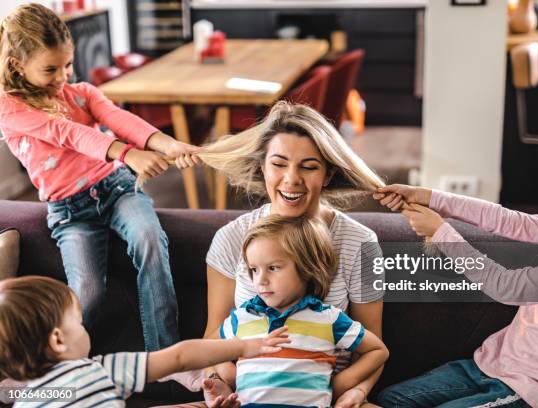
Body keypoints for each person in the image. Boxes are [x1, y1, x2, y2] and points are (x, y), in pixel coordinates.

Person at [0, 4, 200, 351]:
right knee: (87, 290)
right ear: (18, 65)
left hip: (117, 189)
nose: (62, 77)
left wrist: (169, 144)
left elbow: (121, 120)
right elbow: (67, 134)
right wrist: (128, 153)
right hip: (70, 212)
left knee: (150, 239)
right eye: (50, 69)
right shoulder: (11, 109)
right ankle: (54, 363)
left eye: (67, 65)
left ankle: (166, 354)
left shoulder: (82, 93)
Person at [164, 101, 387, 407]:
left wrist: (353, 393)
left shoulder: (361, 243)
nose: (291, 179)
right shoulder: (230, 239)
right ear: (262, 167)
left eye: (308, 166)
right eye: (279, 164)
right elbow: (214, 337)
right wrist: (218, 386)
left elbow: (373, 347)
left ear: (328, 173)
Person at [374, 141, 538, 407]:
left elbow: (505, 287)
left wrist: (441, 233)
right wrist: (429, 196)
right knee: (392, 399)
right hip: (490, 366)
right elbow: (507, 220)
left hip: (534, 390)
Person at [0, 276, 289, 407]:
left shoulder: (27, 399)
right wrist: (244, 346)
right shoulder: (99, 370)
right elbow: (179, 357)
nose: (84, 327)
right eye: (77, 321)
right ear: (58, 340)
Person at [216, 215, 388, 407]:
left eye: (273, 268)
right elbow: (210, 349)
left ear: (307, 269)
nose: (260, 280)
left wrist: (336, 386)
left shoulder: (329, 319)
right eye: (254, 269)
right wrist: (228, 379)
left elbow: (377, 350)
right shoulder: (241, 319)